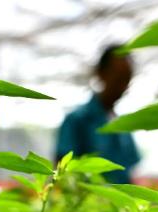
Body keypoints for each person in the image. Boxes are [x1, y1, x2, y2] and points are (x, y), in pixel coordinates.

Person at [55, 45, 140, 183]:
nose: (122, 86)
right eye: (118, 78)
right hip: (87, 202)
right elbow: (62, 172)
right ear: (101, 73)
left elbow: (130, 173)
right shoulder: (77, 120)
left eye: (127, 79)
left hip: (119, 203)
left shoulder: (123, 126)